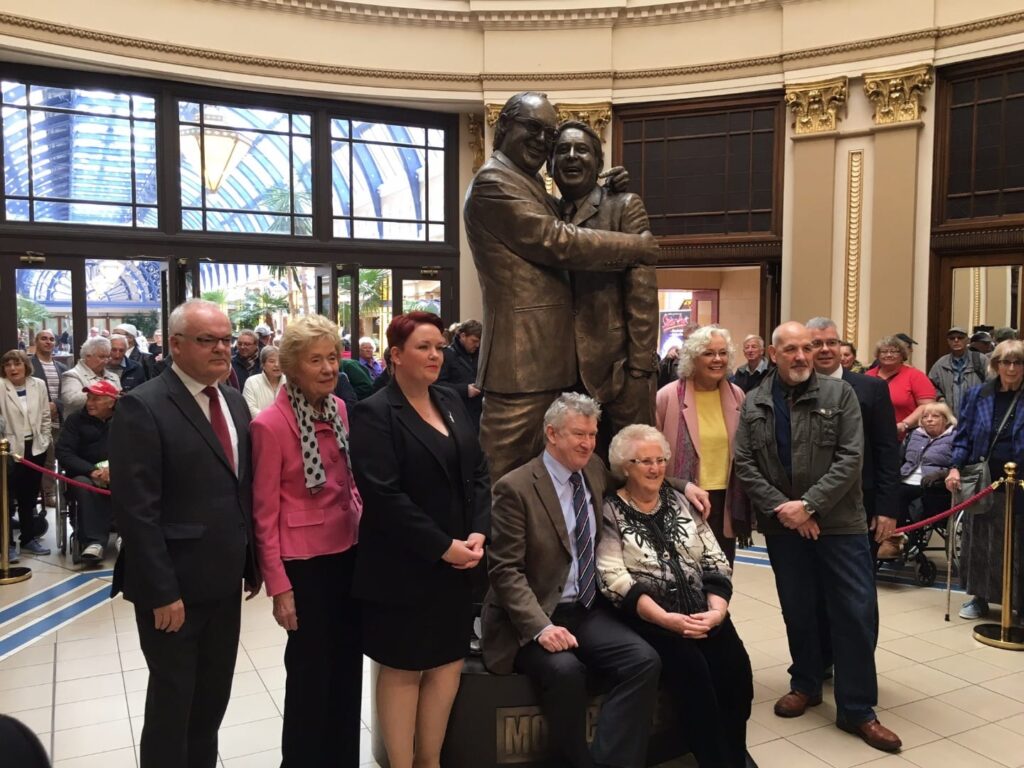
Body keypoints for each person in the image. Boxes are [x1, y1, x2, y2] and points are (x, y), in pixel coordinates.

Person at [465, 90, 659, 482]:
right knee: (507, 476)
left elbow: (638, 295)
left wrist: (607, 187)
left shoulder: (533, 185)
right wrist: (637, 245)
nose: (541, 140)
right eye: (533, 129)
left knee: (558, 479)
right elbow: (557, 240)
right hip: (521, 363)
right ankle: (497, 545)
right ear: (504, 127)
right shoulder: (494, 181)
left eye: (547, 134)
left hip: (564, 367)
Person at [732, 322, 901, 753]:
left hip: (839, 524)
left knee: (854, 613)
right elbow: (746, 464)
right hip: (784, 528)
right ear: (774, 354)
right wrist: (786, 511)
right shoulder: (754, 403)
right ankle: (806, 683)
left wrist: (809, 506)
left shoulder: (838, 394)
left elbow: (850, 457)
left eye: (807, 348)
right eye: (791, 349)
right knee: (799, 607)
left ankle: (858, 708)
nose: (802, 356)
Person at [109, 299, 261, 768]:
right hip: (173, 591)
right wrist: (162, 592)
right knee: (174, 704)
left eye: (226, 339)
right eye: (208, 340)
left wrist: (250, 563)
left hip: (223, 582)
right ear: (175, 345)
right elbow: (137, 511)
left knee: (212, 701)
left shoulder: (233, 401)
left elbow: (239, 492)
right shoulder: (143, 405)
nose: (222, 348)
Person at [482, 393, 662, 768]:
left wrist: (679, 484)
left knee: (643, 660)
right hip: (534, 615)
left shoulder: (592, 469)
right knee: (566, 672)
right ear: (551, 434)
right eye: (579, 434)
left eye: (593, 434)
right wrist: (541, 628)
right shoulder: (516, 487)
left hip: (584, 607)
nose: (588, 443)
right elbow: (505, 571)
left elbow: (629, 476)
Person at [350, 311, 490, 768]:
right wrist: (442, 546)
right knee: (405, 668)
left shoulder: (450, 400)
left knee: (448, 664)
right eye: (423, 348)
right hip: (403, 565)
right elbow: (383, 495)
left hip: (459, 560)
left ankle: (430, 761)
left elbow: (480, 472)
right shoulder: (374, 412)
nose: (435, 356)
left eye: (439, 347)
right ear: (395, 356)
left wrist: (477, 533)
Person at [598, 424, 755, 768]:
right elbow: (613, 577)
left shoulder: (681, 500)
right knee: (696, 682)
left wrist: (717, 610)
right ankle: (715, 761)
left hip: (704, 611)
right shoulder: (610, 510)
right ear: (625, 466)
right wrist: (665, 618)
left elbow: (714, 557)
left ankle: (735, 755)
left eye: (660, 460)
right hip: (654, 620)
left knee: (737, 676)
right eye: (644, 462)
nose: (655, 469)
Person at [251, 315, 362, 768]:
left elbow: (348, 479)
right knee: (309, 678)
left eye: (332, 357)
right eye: (315, 359)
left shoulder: (337, 409)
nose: (327, 367)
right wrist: (279, 588)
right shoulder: (269, 424)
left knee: (347, 671)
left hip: (349, 553)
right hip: (304, 565)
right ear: (291, 366)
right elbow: (263, 516)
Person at [549, 120, 659, 453]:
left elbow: (642, 291)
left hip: (619, 369)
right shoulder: (546, 212)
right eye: (562, 151)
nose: (571, 157)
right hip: (560, 373)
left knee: (631, 461)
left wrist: (639, 369)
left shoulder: (623, 205)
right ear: (550, 164)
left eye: (581, 150)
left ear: (598, 165)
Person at [655, 325, 749, 564]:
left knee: (721, 569)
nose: (717, 359)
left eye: (722, 353)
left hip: (725, 498)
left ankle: (718, 604)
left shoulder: (737, 395)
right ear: (693, 358)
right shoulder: (667, 397)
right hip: (682, 496)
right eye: (708, 353)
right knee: (684, 570)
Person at [945, 339, 1024, 621]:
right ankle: (979, 597)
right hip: (984, 481)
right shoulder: (978, 395)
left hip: (1021, 484)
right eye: (1006, 362)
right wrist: (955, 467)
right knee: (980, 541)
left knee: (1018, 543)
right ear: (996, 365)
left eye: (1018, 362)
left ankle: (1018, 604)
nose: (1012, 368)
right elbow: (963, 436)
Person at [806, 318, 900, 552]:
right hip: (807, 503)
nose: (825, 349)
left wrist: (887, 508)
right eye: (817, 343)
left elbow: (886, 450)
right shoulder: (794, 387)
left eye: (832, 342)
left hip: (861, 500)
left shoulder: (872, 388)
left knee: (858, 583)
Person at [55, 380, 119, 563]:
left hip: (119, 470)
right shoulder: (75, 420)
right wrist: (92, 471)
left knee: (134, 482)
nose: (90, 403)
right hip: (85, 472)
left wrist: (115, 468)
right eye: (89, 398)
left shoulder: (125, 419)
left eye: (96, 399)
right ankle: (94, 541)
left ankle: (127, 535)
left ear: (111, 402)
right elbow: (64, 452)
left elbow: (137, 449)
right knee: (83, 485)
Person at [0, 349, 52, 559]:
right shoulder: (1, 387)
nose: (13, 368)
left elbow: (46, 415)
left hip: (36, 447)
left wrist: (46, 438)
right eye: (8, 365)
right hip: (8, 451)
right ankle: (7, 545)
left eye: (17, 364)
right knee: (6, 498)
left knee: (29, 497)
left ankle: (29, 538)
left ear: (25, 366)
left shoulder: (37, 384)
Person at [894, 402, 957, 558]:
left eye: (935, 416)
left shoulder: (955, 438)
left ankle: (906, 539)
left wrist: (942, 474)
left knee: (903, 496)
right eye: (925, 416)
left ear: (946, 420)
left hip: (933, 484)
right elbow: (900, 459)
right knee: (889, 493)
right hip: (906, 478)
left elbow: (958, 465)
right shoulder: (914, 434)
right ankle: (899, 537)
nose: (929, 419)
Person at [866, 335, 936, 441]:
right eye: (884, 352)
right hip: (871, 438)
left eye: (894, 351)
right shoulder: (867, 376)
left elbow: (927, 406)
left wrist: (904, 424)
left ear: (902, 355)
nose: (888, 355)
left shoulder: (915, 376)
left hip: (905, 438)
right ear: (878, 355)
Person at [29, 328, 66, 507]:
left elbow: (64, 394)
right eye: (44, 338)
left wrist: (56, 405)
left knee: (54, 458)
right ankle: (44, 493)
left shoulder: (61, 367)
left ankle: (51, 492)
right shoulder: (29, 365)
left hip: (58, 420)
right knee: (43, 459)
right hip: (36, 420)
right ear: (36, 341)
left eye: (51, 339)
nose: (48, 342)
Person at [928, 326, 989, 419]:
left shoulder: (981, 360)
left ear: (968, 341)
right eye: (952, 338)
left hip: (976, 416)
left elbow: (993, 383)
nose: (956, 340)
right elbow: (930, 384)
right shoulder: (941, 364)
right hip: (949, 418)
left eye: (960, 337)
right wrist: (940, 398)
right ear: (948, 342)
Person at [438, 320, 483, 430]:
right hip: (456, 415)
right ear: (463, 336)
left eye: (479, 342)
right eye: (474, 341)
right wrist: (465, 390)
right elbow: (437, 385)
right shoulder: (447, 355)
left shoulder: (479, 355)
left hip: (479, 416)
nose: (477, 345)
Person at [60, 337, 121, 416]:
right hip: (81, 424)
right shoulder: (72, 375)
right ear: (88, 356)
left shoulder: (114, 377)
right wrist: (105, 395)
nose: (106, 361)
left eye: (108, 357)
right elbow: (71, 400)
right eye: (102, 357)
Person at [243, 345, 285, 417]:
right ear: (263, 364)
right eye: (271, 361)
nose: (277, 365)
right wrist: (273, 419)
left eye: (280, 361)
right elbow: (250, 409)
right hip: (260, 425)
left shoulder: (289, 382)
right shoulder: (251, 382)